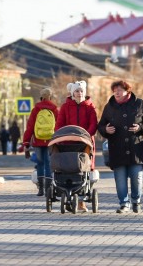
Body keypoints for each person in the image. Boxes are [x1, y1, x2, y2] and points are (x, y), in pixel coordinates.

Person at [98, 80, 143, 214]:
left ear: (127, 91)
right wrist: (106, 129)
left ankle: (136, 201)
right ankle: (124, 204)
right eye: (114, 90)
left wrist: (141, 127)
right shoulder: (109, 106)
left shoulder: (139, 103)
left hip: (136, 149)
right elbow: (100, 126)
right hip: (117, 149)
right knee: (120, 179)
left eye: (119, 90)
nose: (116, 93)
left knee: (136, 177)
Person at [56, 80, 98, 212]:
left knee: (85, 170)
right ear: (72, 93)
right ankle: (67, 194)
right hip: (68, 143)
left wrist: (86, 136)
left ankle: (81, 201)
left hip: (85, 143)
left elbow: (93, 124)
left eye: (81, 91)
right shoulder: (65, 107)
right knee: (68, 169)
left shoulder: (90, 107)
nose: (79, 93)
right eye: (77, 91)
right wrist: (59, 136)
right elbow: (60, 123)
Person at [22, 88, 59, 196]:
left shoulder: (36, 110)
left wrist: (26, 143)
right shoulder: (55, 110)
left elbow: (30, 127)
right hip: (50, 141)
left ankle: (41, 189)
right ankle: (48, 188)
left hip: (37, 141)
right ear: (50, 96)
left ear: (41, 97)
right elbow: (58, 126)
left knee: (40, 163)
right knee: (48, 163)